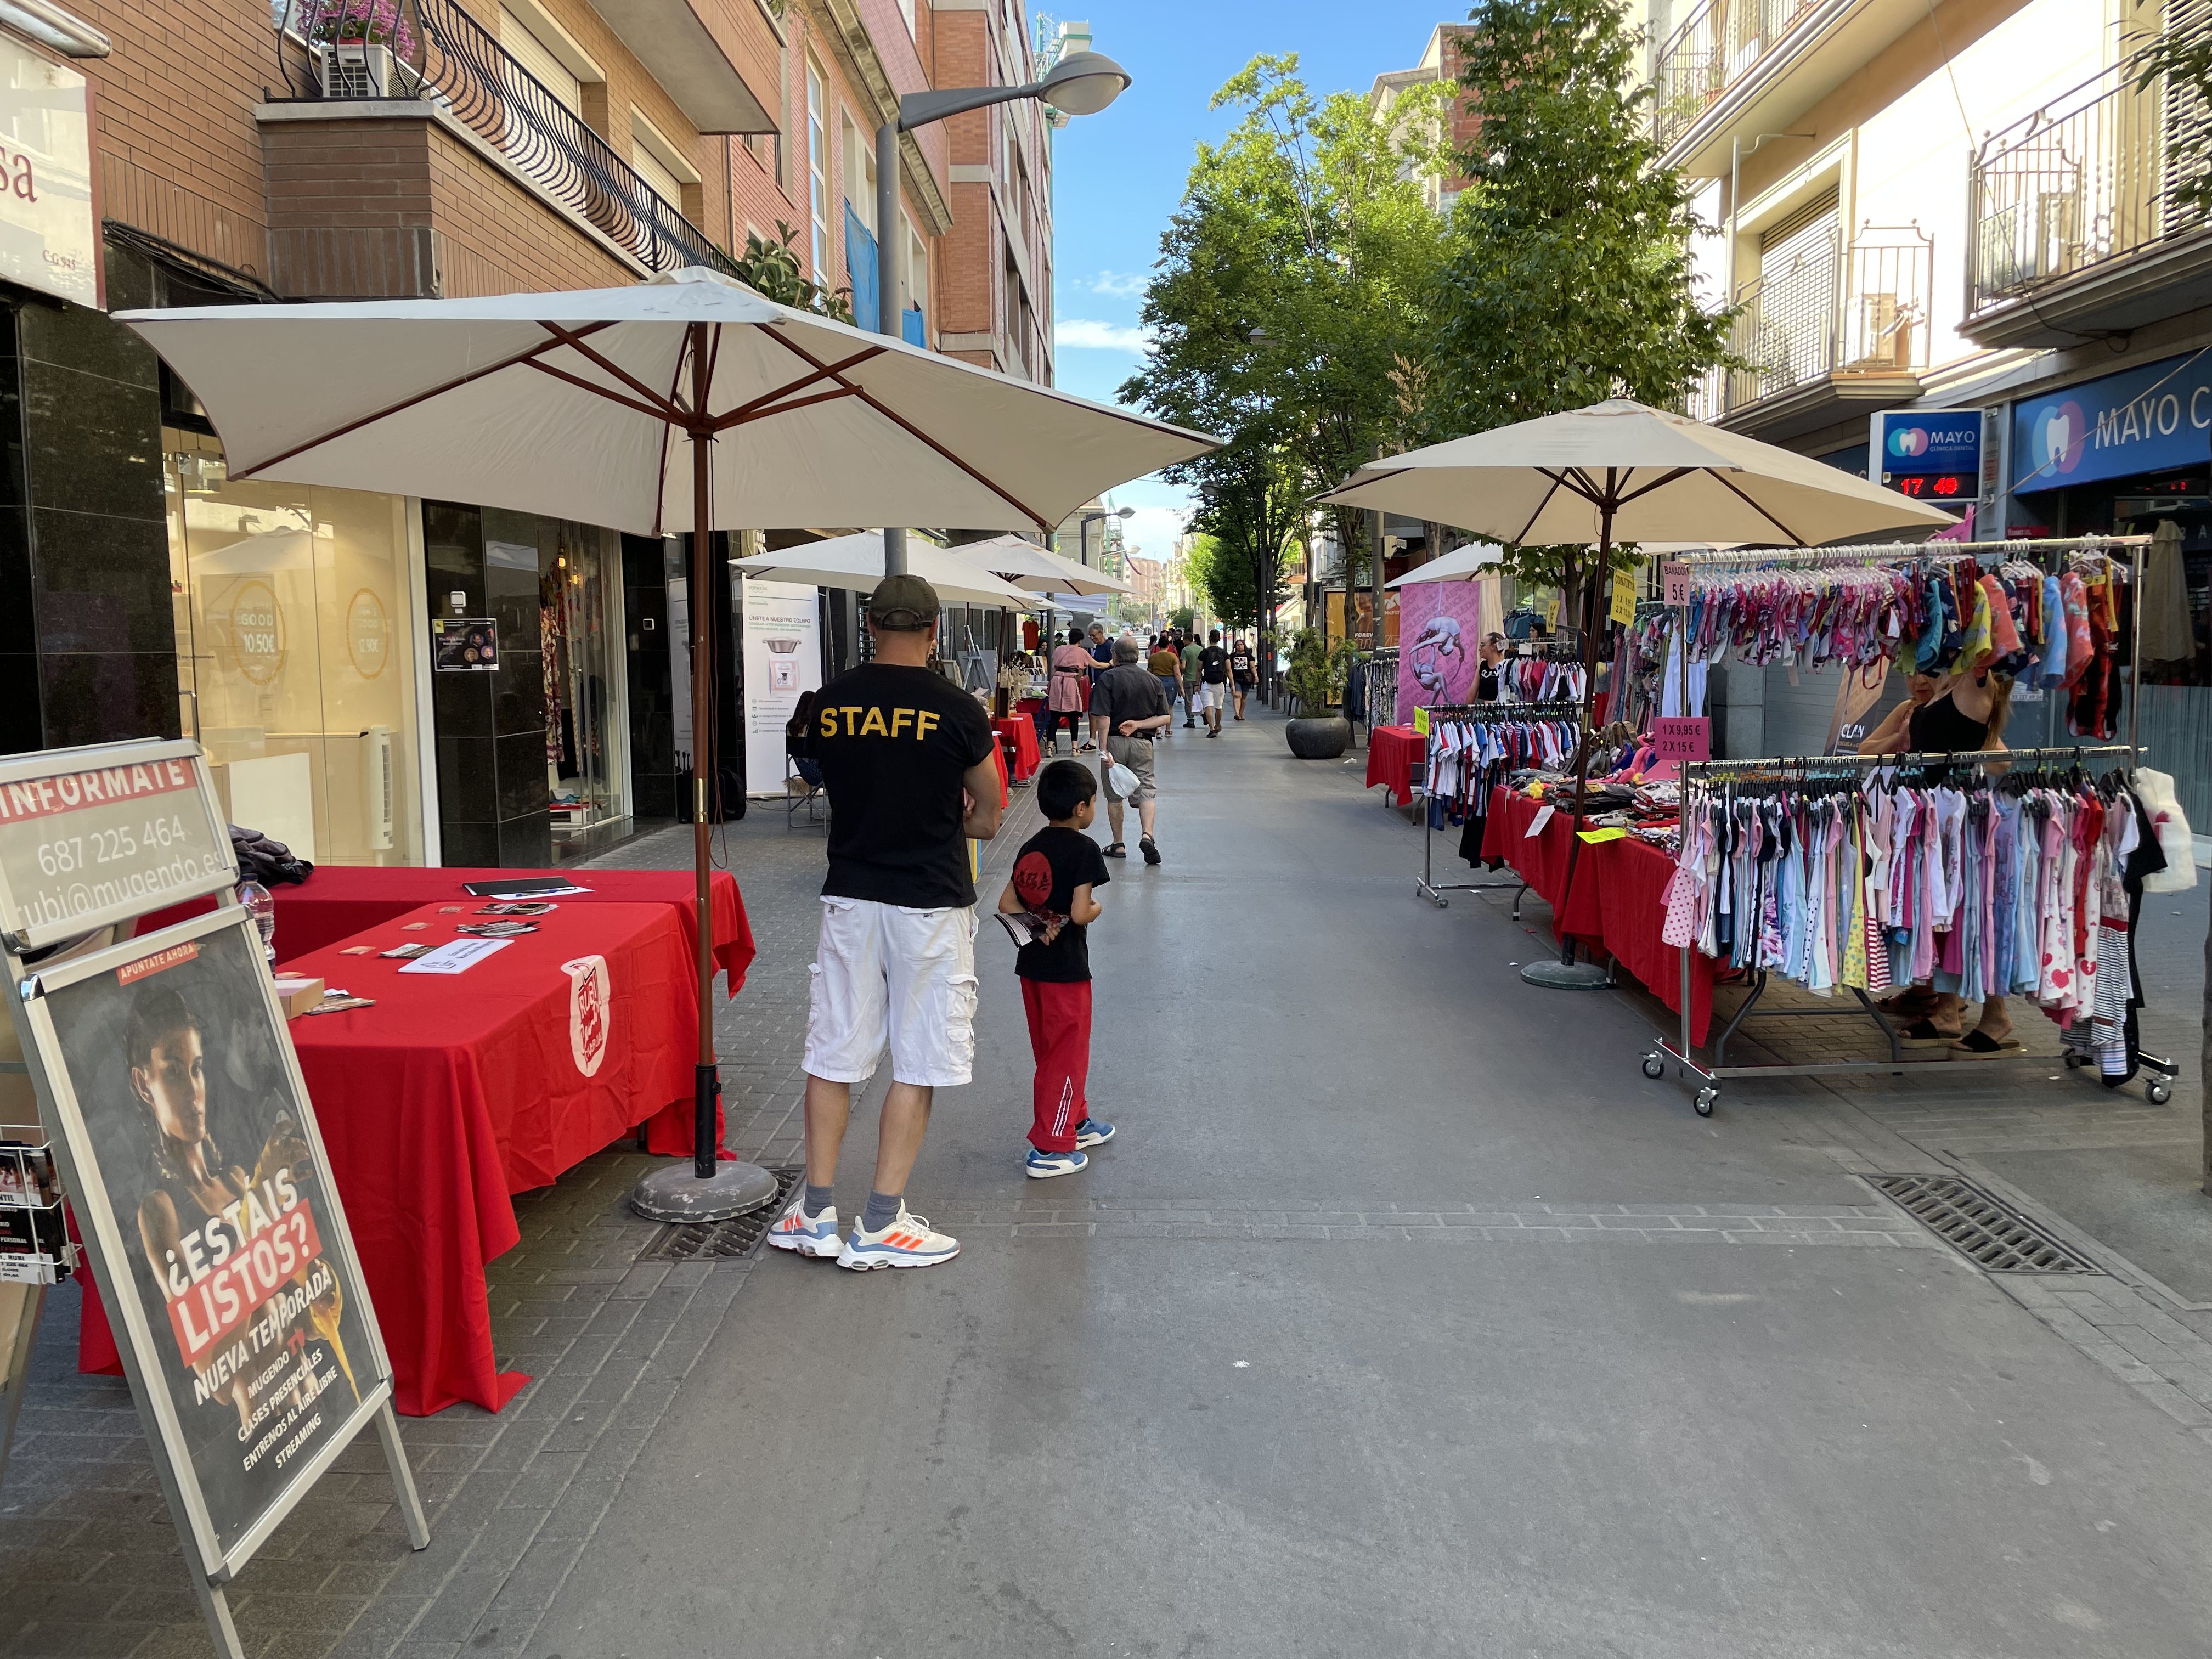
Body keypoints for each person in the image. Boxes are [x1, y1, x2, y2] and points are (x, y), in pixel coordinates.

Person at [768, 574, 1003, 1271]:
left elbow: (816, 777)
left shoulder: (832, 700)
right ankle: (879, 1222)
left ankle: (815, 1213)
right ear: (934, 630)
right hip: (929, 899)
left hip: (850, 892)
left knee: (833, 1049)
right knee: (921, 1053)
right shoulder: (957, 708)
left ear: (870, 624)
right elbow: (990, 812)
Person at [1860, 666, 2017, 1057]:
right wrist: (1901, 740)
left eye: (1927, 671)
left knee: (1971, 918)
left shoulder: (1971, 688)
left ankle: (1996, 1015)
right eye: (1911, 671)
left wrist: (1969, 750)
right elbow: (1864, 751)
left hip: (1959, 820)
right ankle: (1948, 1009)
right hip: (1929, 821)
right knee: (1944, 920)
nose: (1918, 680)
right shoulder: (1913, 708)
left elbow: (2003, 760)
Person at [997, 759, 1116, 1178]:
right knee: (1066, 1056)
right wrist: (1098, 908)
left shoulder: (1031, 846)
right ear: (1083, 808)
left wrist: (1039, 925)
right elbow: (1082, 913)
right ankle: (1050, 1147)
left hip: (1032, 967)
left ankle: (1075, 1120)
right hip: (1067, 971)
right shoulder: (1084, 851)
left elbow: (1006, 904)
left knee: (1051, 1050)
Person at [1089, 635, 1171, 863]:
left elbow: (1103, 718)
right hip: (1143, 742)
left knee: (1115, 794)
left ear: (1114, 656)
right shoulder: (1153, 680)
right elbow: (1164, 718)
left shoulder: (1108, 679)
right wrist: (1139, 724)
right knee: (1146, 789)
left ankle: (1118, 844)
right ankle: (1147, 834)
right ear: (1137, 656)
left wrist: (1104, 750)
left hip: (1115, 741)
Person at [1044, 626, 1094, 755]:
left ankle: (1049, 748)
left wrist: (1050, 685)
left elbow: (1053, 668)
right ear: (1079, 641)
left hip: (1057, 681)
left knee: (1055, 714)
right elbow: (1096, 664)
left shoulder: (1059, 649)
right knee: (1073, 715)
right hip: (1070, 682)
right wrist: (1110, 664)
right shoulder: (1081, 652)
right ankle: (1074, 748)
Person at [1193, 628, 1230, 737]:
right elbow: (1228, 670)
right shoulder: (1224, 653)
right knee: (1219, 706)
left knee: (1208, 707)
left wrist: (1196, 684)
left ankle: (1212, 728)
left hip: (1207, 683)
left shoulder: (1204, 653)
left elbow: (1199, 669)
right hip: (1220, 683)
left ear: (1210, 639)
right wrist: (1232, 684)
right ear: (1219, 639)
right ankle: (1218, 725)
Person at [1148, 635, 1183, 735]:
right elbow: (1177, 673)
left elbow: (1149, 673)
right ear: (1168, 646)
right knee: (1169, 707)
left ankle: (1158, 729)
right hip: (1170, 682)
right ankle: (1168, 730)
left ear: (1158, 646)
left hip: (1156, 681)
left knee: (1157, 706)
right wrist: (1181, 687)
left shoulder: (1153, 657)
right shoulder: (1173, 657)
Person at [1180, 630, 1205, 728]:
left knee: (1189, 701)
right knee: (1199, 699)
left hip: (1188, 679)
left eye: (1184, 640)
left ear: (1187, 640)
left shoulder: (1185, 650)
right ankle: (1205, 714)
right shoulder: (1200, 649)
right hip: (1199, 679)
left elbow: (1183, 666)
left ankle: (1191, 720)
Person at [1229, 635, 1256, 720]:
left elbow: (1252, 667)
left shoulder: (1248, 656)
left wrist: (1256, 676)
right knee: (1238, 695)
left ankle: (1241, 714)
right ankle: (1237, 714)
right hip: (1236, 678)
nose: (1240, 646)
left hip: (1246, 679)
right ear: (1235, 647)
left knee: (1244, 696)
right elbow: (1229, 668)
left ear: (1244, 646)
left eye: (1241, 645)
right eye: (1238, 645)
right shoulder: (1232, 656)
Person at [1476, 633, 1505, 703]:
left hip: (1501, 710)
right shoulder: (1482, 665)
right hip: (1482, 711)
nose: (1479, 649)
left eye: (1482, 645)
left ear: (1493, 646)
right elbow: (1471, 695)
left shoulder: (1506, 666)